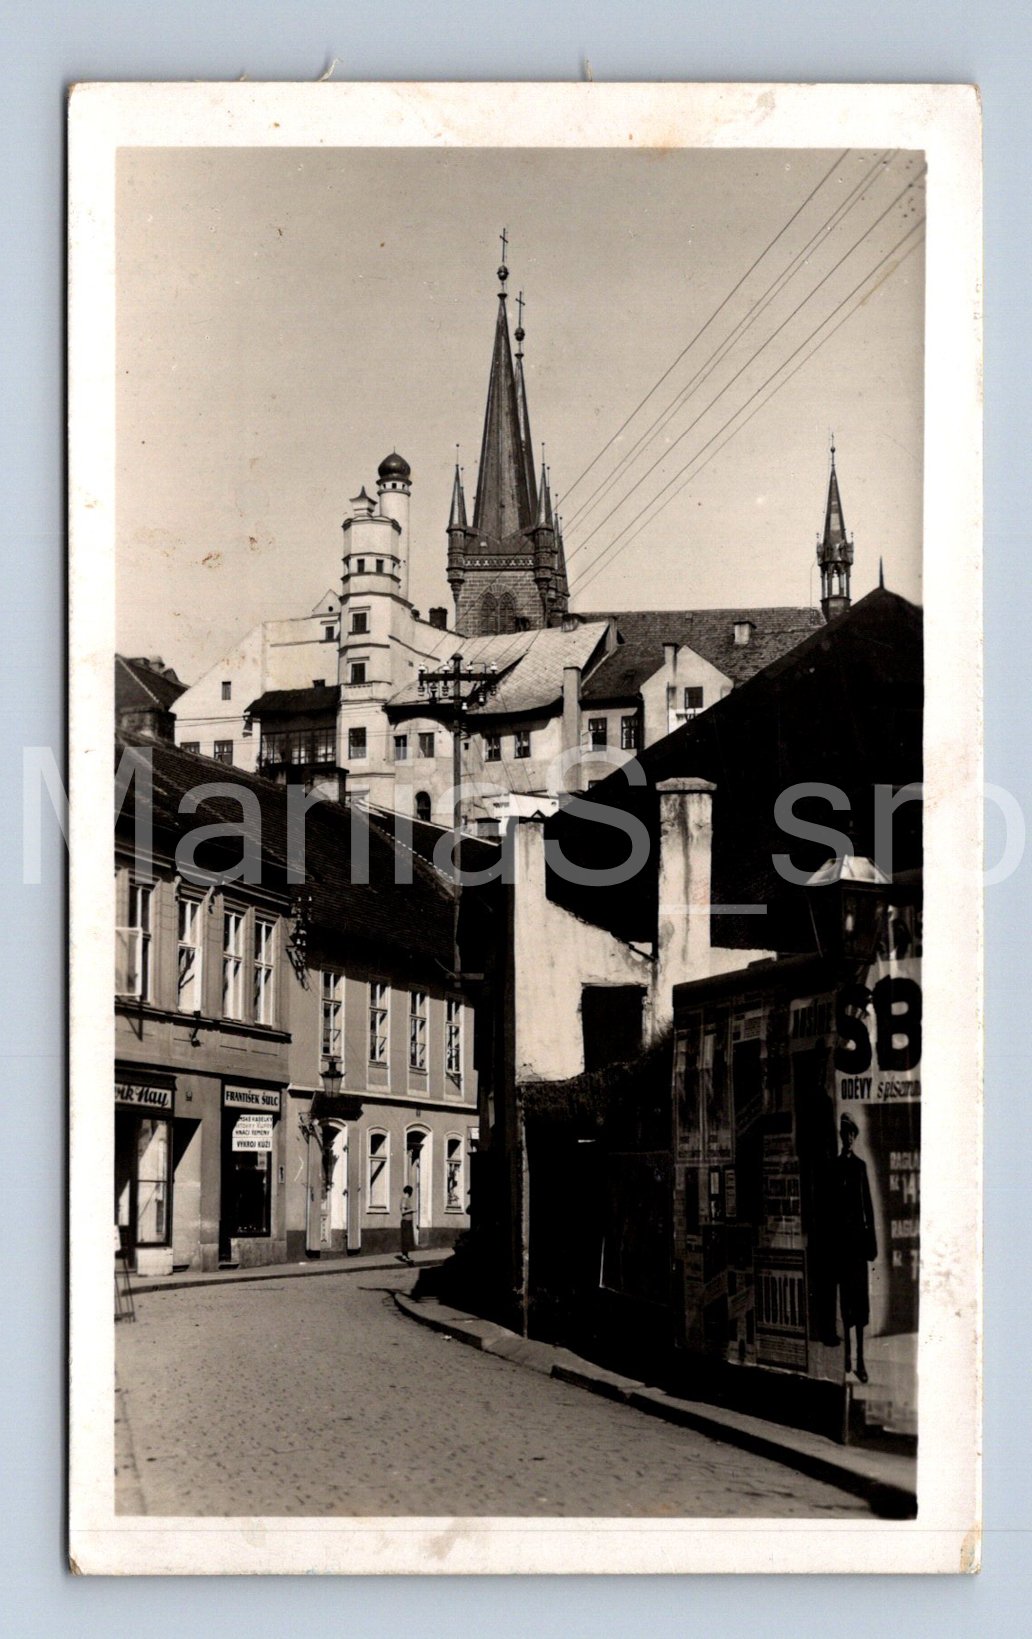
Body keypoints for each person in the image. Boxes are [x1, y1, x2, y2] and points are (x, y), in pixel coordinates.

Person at [832, 1113, 878, 1383]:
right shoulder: (834, 1166)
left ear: (855, 1137)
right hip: (842, 1248)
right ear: (841, 1136)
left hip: (858, 1247)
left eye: (851, 1134)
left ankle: (860, 1361)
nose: (848, 1138)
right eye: (844, 1133)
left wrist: (871, 1245)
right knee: (846, 1305)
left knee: (860, 1307)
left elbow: (868, 1207)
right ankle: (847, 1357)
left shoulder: (860, 1167)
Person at [397, 1184, 416, 1265]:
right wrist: (412, 1210)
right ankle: (404, 1256)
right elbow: (403, 1212)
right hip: (405, 1222)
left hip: (408, 1222)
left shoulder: (406, 1199)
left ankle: (406, 1255)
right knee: (405, 1239)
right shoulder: (404, 1199)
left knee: (407, 1239)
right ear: (409, 1192)